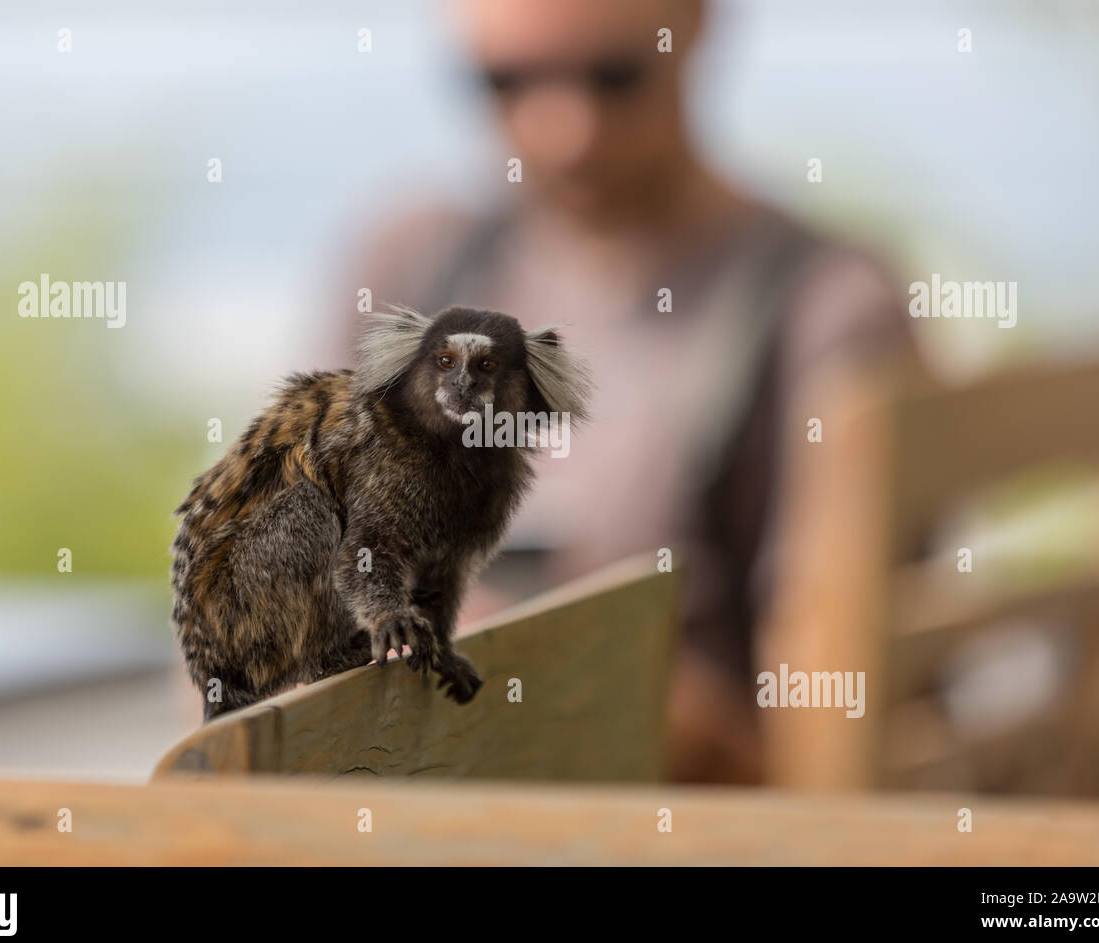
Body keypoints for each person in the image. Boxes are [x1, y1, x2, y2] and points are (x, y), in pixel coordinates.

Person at [340, 0, 918, 783]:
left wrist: (543, 669)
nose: (564, 131)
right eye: (505, 82)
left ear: (700, 27)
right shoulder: (413, 263)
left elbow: (821, 765)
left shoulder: (825, 308)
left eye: (615, 76)